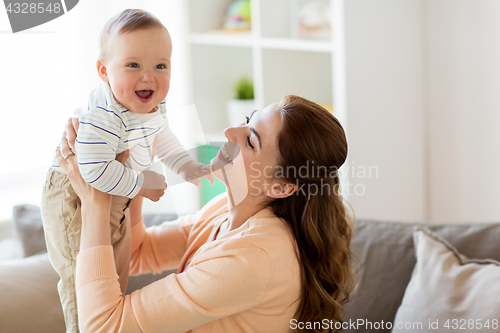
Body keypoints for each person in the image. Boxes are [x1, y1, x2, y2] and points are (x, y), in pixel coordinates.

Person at [56, 95, 357, 333]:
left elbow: (103, 327)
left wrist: (95, 200)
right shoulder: (225, 210)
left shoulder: (254, 257)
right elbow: (139, 253)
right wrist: (134, 166)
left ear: (281, 187)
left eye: (251, 140)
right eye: (246, 121)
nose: (230, 132)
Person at [42, 9, 213, 333]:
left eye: (160, 66)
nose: (148, 76)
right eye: (133, 65)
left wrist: (187, 166)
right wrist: (141, 184)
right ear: (104, 71)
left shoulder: (149, 107)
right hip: (73, 197)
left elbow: (161, 136)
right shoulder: (103, 114)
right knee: (84, 277)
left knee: (112, 275)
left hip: (115, 192)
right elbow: (92, 172)